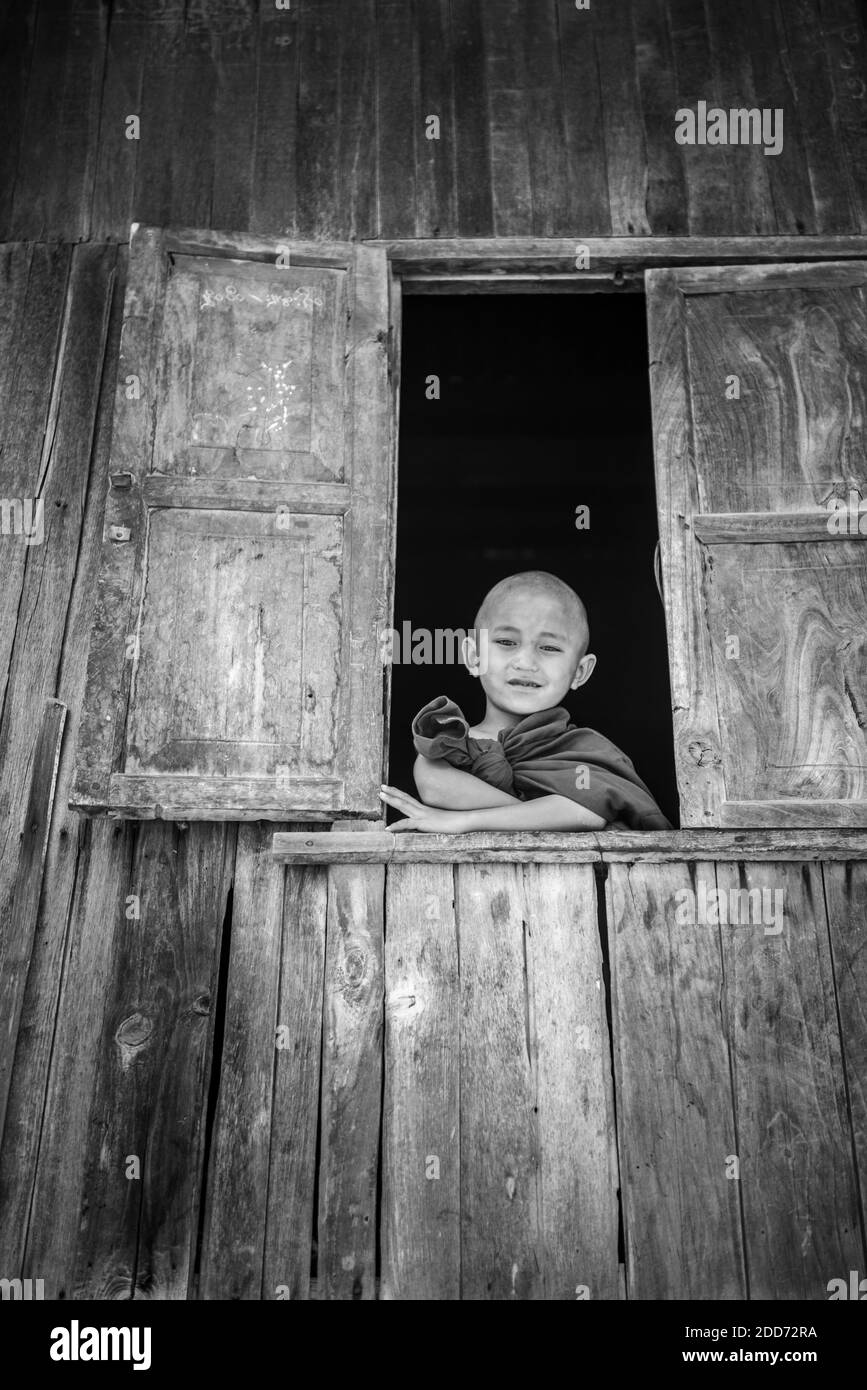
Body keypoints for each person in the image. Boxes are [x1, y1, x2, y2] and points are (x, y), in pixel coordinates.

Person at [379, 571, 672, 833]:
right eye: (507, 642)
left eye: (549, 647)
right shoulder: (450, 740)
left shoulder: (586, 750)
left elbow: (587, 812)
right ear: (474, 656)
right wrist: (543, 813)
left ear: (580, 671)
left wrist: (463, 821)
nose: (526, 662)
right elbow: (435, 788)